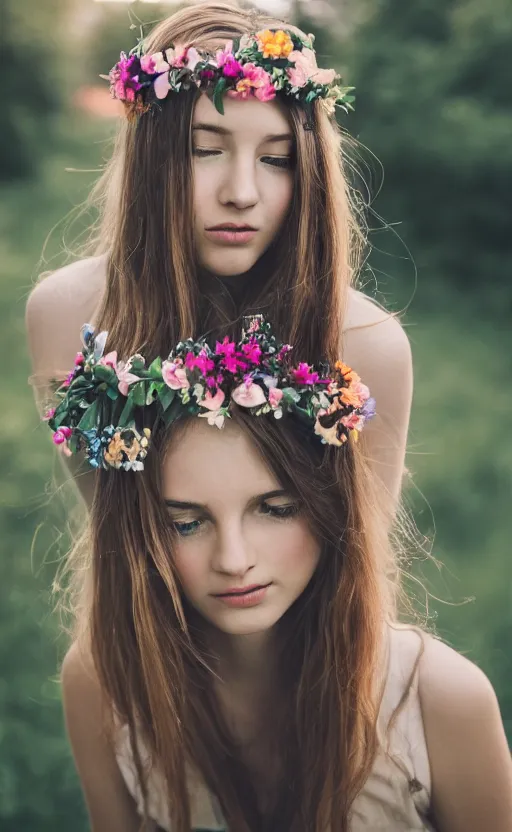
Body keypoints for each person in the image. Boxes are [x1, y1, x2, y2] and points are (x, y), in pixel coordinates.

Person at [53, 318, 512, 832]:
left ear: (328, 508)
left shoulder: (441, 702)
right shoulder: (104, 679)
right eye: (186, 523)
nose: (233, 558)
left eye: (274, 510)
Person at [25, 2, 413, 516]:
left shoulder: (368, 346)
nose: (242, 193)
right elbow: (111, 536)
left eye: (277, 159)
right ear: (151, 158)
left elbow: (364, 562)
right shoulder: (67, 316)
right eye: (205, 150)